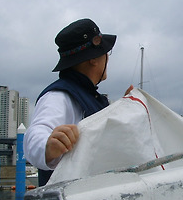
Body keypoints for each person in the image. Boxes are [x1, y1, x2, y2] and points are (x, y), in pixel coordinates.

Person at [24, 18, 131, 186]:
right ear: (94, 59)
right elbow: (35, 135)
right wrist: (47, 146)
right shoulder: (58, 96)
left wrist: (126, 109)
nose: (107, 59)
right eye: (106, 53)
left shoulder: (91, 97)